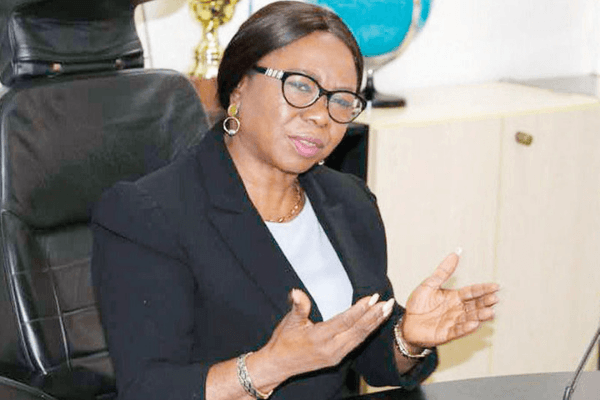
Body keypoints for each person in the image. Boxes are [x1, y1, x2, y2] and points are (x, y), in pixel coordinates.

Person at [91, 2, 500, 400]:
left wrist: (408, 338)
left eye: (342, 100)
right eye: (301, 86)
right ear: (240, 85)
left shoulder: (349, 202)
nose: (322, 115)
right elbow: (148, 389)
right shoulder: (149, 214)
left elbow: (370, 359)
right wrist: (269, 366)